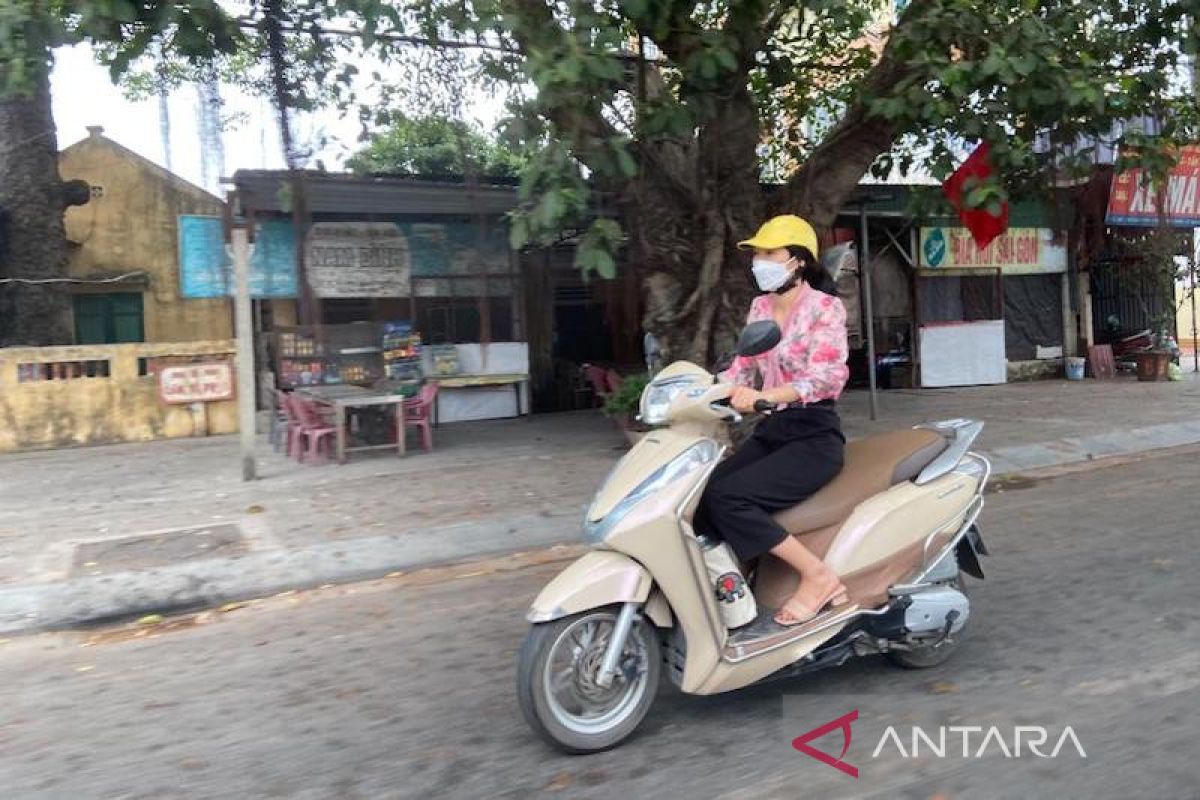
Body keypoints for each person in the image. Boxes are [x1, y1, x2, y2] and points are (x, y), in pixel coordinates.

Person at [693, 214, 851, 627]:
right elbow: (742, 370)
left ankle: (818, 577)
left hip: (813, 435)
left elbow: (826, 376)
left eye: (768, 252)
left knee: (732, 497)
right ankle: (732, 585)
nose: (758, 261)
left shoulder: (824, 308)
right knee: (701, 495)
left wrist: (766, 396)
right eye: (757, 253)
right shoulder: (760, 307)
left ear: (797, 260)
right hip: (774, 430)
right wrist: (705, 392)